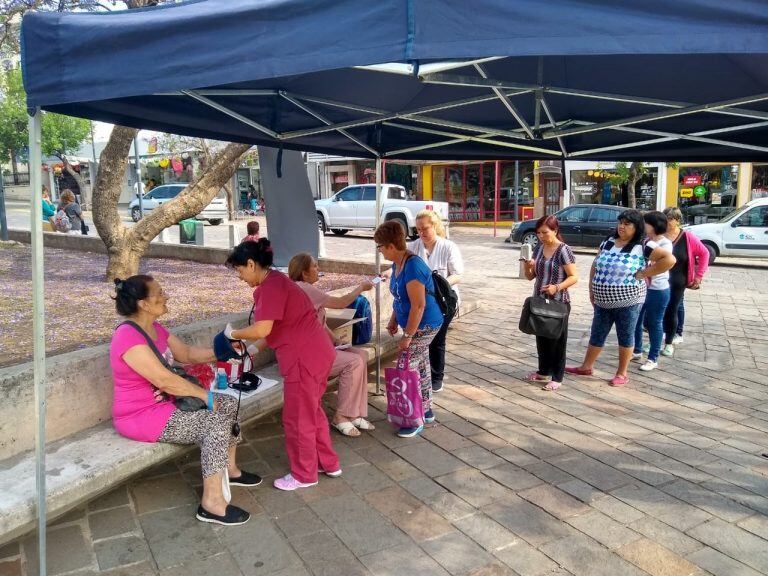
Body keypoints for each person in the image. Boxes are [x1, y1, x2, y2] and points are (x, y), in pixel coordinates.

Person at [110, 275, 261, 526]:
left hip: (168, 403)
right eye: (159, 293)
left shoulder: (155, 328)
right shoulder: (127, 337)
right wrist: (205, 396)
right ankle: (211, 504)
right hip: (140, 415)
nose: (166, 296)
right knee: (213, 424)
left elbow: (186, 354)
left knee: (229, 404)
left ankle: (230, 470)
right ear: (143, 304)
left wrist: (222, 352)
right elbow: (165, 380)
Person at [225, 239, 340, 491]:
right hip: (318, 354)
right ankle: (327, 462)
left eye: (240, 270)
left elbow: (263, 328)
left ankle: (304, 474)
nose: (240, 277)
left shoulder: (271, 288)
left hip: (303, 360)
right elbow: (275, 328)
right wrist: (251, 351)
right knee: (313, 411)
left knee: (298, 418)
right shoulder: (277, 282)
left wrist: (233, 335)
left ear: (252, 264)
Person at [566, 210, 675, 387]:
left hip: (629, 300)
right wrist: (592, 288)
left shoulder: (644, 245)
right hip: (602, 299)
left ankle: (622, 373)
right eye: (620, 223)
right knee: (597, 332)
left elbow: (669, 260)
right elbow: (596, 263)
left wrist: (645, 273)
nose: (622, 227)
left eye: (627, 224)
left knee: (625, 334)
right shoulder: (608, 241)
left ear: (637, 226)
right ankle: (586, 366)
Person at [288, 253, 375, 436]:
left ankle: (355, 413)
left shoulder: (305, 289)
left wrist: (335, 340)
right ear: (304, 273)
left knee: (361, 355)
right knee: (353, 362)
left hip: (317, 348)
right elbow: (341, 303)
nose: (318, 270)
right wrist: (361, 287)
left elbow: (319, 322)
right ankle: (341, 416)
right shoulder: (303, 288)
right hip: (305, 357)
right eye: (315, 266)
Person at [375, 220, 443, 437]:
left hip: (426, 324)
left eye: (380, 247)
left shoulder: (413, 266)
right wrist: (394, 318)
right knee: (420, 365)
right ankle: (426, 409)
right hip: (414, 323)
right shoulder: (398, 263)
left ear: (391, 247)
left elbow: (419, 304)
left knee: (408, 365)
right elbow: (399, 295)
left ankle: (414, 419)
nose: (380, 251)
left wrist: (409, 335)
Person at [408, 210, 464, 393]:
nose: (421, 233)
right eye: (418, 229)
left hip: (443, 302)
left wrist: (440, 285)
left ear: (435, 226)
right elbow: (403, 265)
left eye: (425, 228)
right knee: (421, 339)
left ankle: (437, 377)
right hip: (421, 301)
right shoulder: (415, 247)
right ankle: (420, 373)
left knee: (438, 339)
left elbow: (458, 274)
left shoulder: (448, 247)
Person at [523, 215, 578, 391]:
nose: (541, 236)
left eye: (545, 232)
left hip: (558, 302)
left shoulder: (563, 249)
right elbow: (531, 277)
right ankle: (543, 371)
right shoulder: (539, 248)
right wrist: (527, 266)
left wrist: (557, 287)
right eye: (538, 232)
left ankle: (557, 376)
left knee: (557, 340)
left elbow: (574, 276)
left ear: (555, 230)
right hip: (540, 301)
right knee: (542, 337)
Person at [662, 206, 710, 355]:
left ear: (677, 220)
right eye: (665, 218)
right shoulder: (659, 235)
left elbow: (704, 253)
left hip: (678, 279)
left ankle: (672, 338)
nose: (667, 222)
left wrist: (698, 276)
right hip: (658, 278)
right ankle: (660, 335)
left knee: (673, 308)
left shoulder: (687, 237)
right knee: (657, 310)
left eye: (670, 219)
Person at [632, 211, 673, 372]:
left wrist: (643, 273)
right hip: (641, 287)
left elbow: (661, 262)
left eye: (645, 223)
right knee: (635, 320)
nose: (643, 226)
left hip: (657, 289)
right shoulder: (645, 241)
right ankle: (636, 349)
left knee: (655, 323)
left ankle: (653, 357)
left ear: (654, 225)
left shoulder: (665, 244)